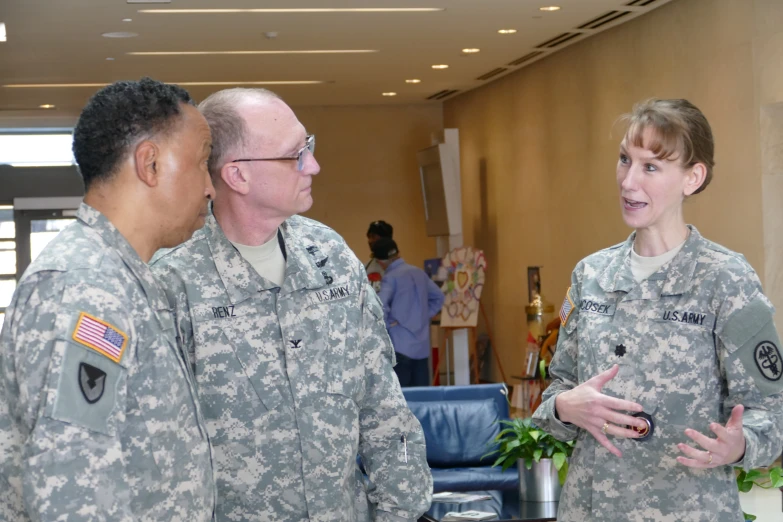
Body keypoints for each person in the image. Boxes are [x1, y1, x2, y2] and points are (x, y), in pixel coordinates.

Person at [151, 88, 432, 522]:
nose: (314, 165)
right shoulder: (171, 280)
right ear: (237, 176)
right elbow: (154, 448)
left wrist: (404, 512)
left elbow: (382, 406)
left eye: (309, 146)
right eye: (294, 155)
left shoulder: (330, 256)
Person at [533, 98, 783, 521]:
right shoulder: (591, 274)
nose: (629, 181)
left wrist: (738, 445)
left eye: (650, 167)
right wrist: (563, 408)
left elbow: (772, 411)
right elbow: (556, 392)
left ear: (693, 177)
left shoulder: (725, 279)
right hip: (591, 508)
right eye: (624, 160)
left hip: (688, 509)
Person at [0, 78, 217, 521]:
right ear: (150, 164)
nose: (210, 187)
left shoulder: (126, 276)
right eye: (202, 164)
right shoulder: (85, 285)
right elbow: (72, 489)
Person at [373, 238, 444, 387]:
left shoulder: (390, 278)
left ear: (380, 262)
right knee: (422, 397)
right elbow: (439, 297)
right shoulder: (419, 272)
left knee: (403, 399)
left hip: (400, 345)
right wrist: (424, 315)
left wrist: (387, 327)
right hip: (422, 346)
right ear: (398, 253)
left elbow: (379, 306)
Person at [366, 220, 394, 293]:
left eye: (373, 236)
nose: (370, 241)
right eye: (369, 237)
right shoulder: (365, 267)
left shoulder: (397, 267)